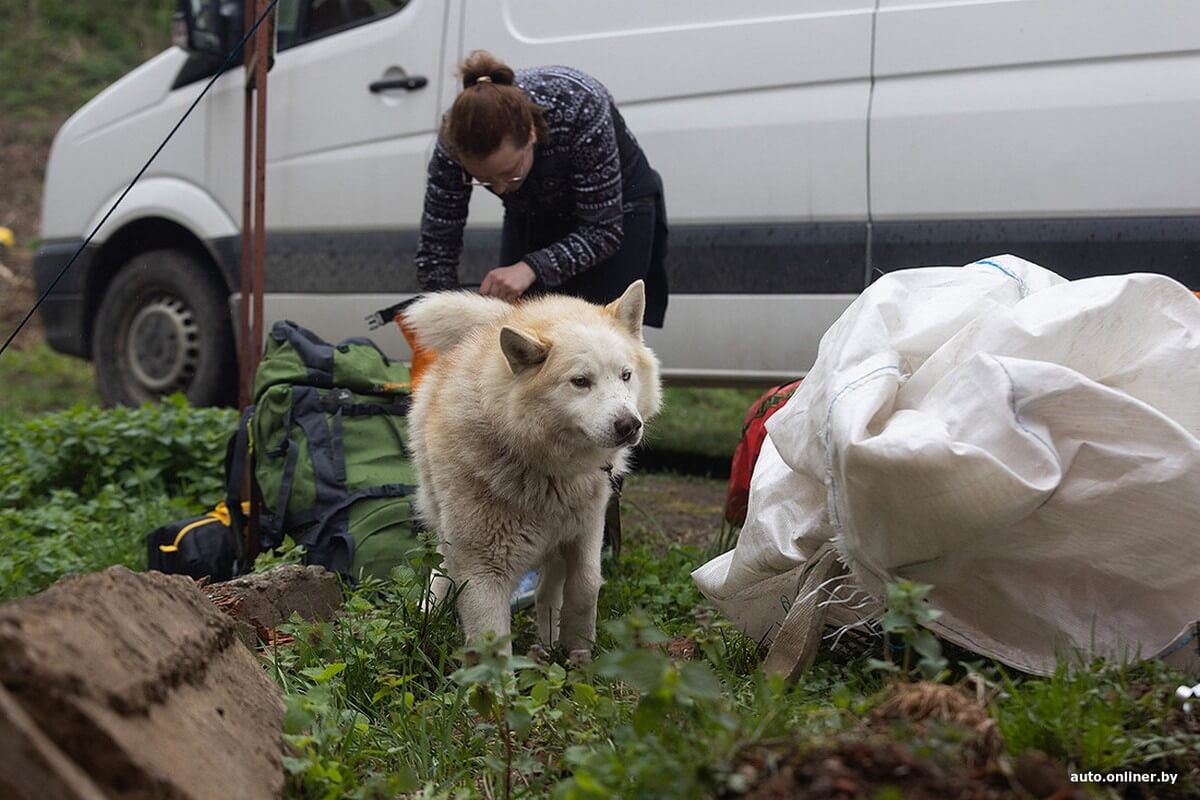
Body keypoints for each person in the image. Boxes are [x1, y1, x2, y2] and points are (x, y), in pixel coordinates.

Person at [414, 51, 668, 326]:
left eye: (508, 174)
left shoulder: (579, 105)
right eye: (484, 181)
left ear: (531, 134)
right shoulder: (453, 144)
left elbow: (602, 230)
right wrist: (442, 316)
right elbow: (438, 246)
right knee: (515, 327)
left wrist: (531, 267)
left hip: (614, 211)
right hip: (531, 212)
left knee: (599, 331)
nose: (500, 189)